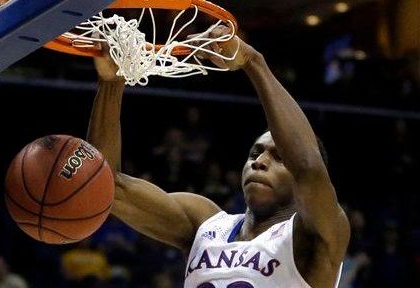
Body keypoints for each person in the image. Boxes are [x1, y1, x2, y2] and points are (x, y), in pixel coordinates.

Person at [86, 25, 350, 287]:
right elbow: (106, 185)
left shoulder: (315, 237)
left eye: (279, 158)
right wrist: (111, 82)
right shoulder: (205, 223)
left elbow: (308, 168)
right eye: (254, 153)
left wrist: (252, 62)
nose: (259, 162)